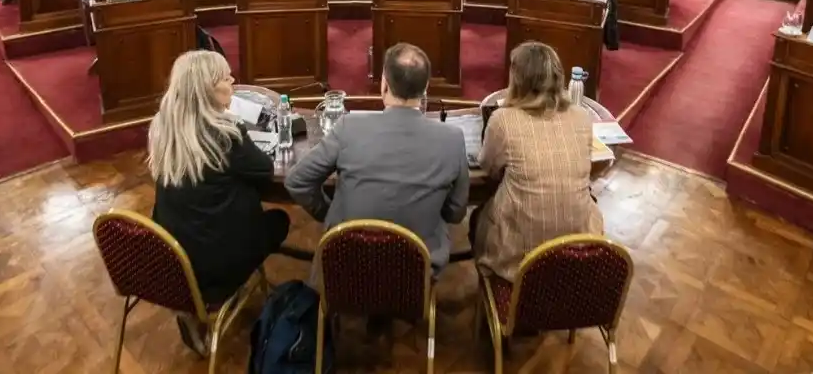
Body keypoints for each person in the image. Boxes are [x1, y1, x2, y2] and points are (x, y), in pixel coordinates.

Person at [147, 49, 289, 353]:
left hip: (172, 259)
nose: (233, 82)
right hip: (219, 265)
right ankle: (230, 292)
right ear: (208, 90)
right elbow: (264, 170)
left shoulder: (162, 128)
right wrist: (234, 121)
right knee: (280, 221)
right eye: (226, 78)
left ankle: (191, 305)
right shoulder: (227, 133)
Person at [285, 43, 470, 275]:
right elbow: (456, 212)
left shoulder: (348, 127)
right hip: (413, 274)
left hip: (345, 267)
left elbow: (297, 181)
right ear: (425, 89)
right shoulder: (452, 139)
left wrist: (330, 214)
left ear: (384, 85)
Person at [472, 41, 604, 282]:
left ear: (516, 79)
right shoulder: (582, 117)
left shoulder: (503, 120)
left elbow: (487, 167)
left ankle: (489, 298)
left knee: (479, 217)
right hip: (578, 252)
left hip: (519, 263)